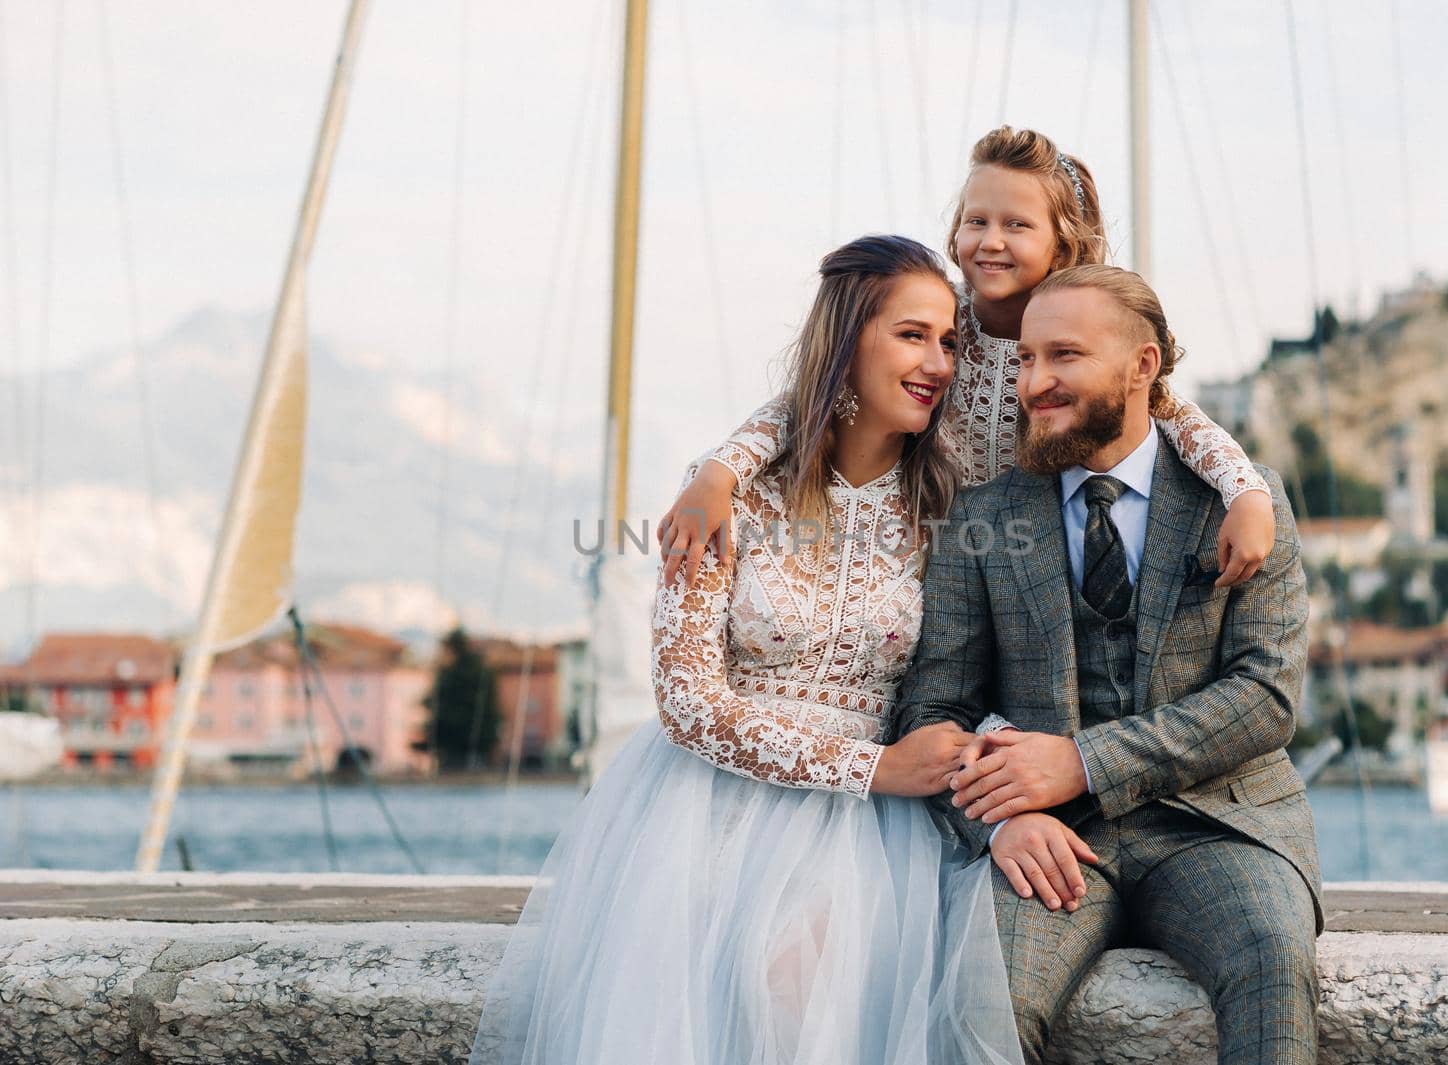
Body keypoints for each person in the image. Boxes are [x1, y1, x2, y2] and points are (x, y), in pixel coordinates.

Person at [468, 235, 1025, 1065]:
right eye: (912, 335)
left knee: (808, 989)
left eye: (948, 341)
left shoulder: (953, 499)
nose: (938, 362)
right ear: (846, 340)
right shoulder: (732, 497)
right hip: (706, 809)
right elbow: (688, 700)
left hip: (873, 833)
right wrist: (874, 770)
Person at [897, 264, 1322, 1064]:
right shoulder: (979, 518)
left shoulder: (1242, 502)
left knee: (1272, 962)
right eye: (1025, 359)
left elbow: (1265, 697)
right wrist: (998, 820)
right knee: (982, 1003)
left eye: (1064, 356)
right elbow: (932, 710)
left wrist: (1083, 762)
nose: (1036, 382)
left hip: (1219, 825)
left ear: (1142, 366)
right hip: (1047, 843)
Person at [659, 127, 1275, 590]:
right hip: (932, 548)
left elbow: (1175, 414)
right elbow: (815, 395)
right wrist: (722, 472)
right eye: (976, 220)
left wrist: (1245, 492)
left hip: (1033, 558)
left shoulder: (1080, 334)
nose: (991, 241)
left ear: (1063, 241)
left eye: (1017, 225)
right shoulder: (938, 319)